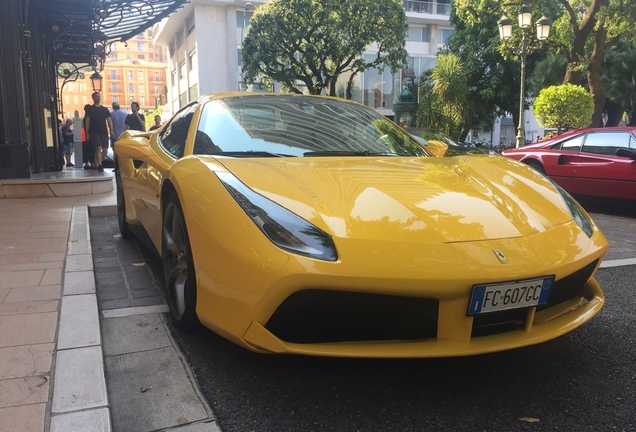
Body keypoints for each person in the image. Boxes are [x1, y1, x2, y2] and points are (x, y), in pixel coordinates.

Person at [85, 92, 115, 172]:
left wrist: (111, 130)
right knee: (98, 147)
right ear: (93, 98)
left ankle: (98, 162)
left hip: (104, 132)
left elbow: (109, 120)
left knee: (105, 149)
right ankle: (100, 165)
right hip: (94, 131)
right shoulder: (90, 109)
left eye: (99, 96)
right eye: (96, 96)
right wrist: (87, 132)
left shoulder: (105, 110)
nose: (98, 98)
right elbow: (87, 121)